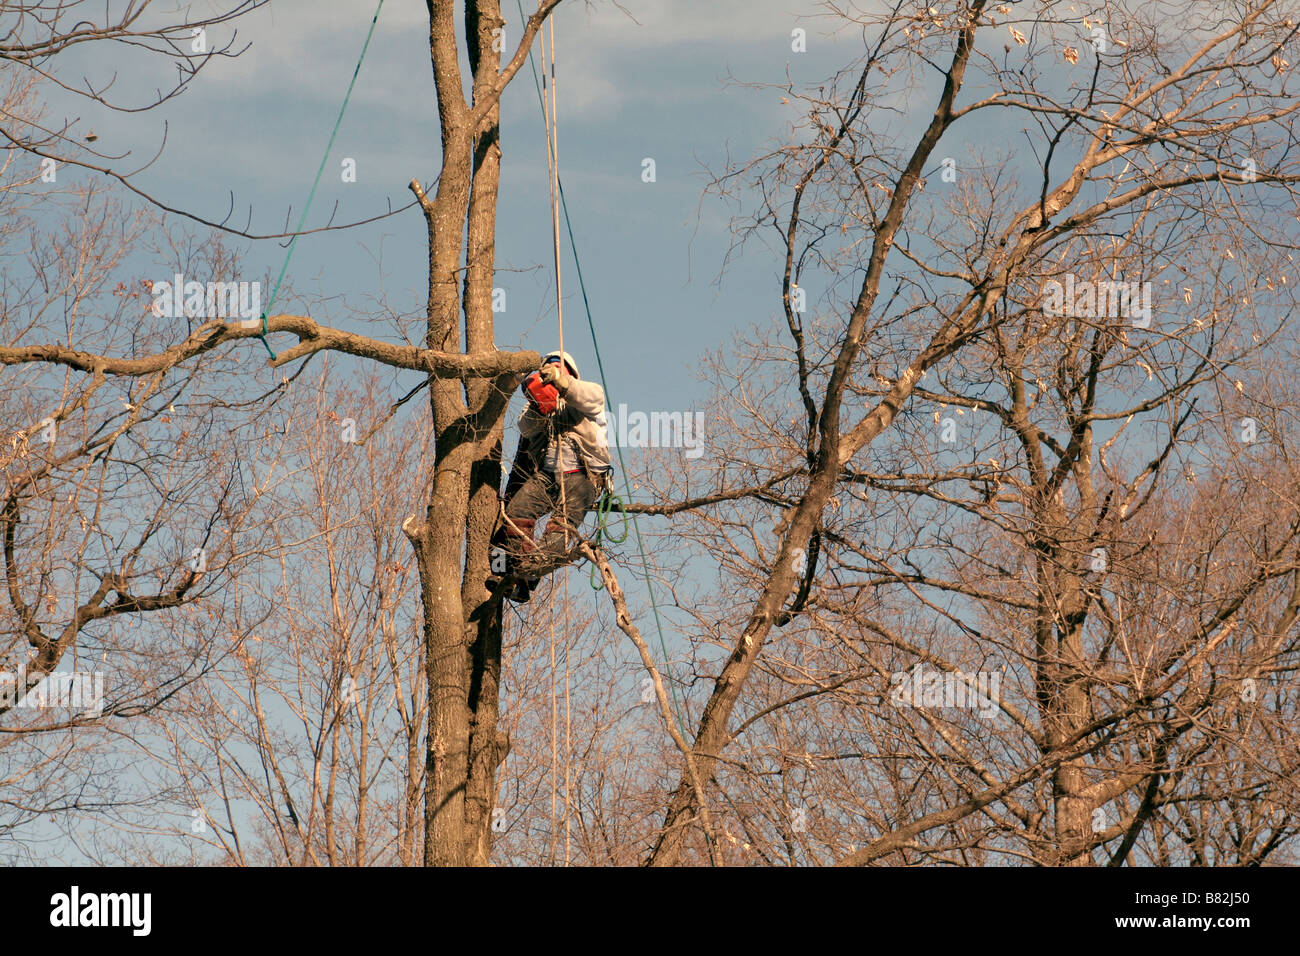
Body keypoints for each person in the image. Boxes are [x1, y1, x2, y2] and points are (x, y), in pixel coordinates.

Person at [490, 350, 611, 602]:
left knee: (560, 525)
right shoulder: (537, 408)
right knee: (515, 515)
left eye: (559, 368)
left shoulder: (585, 398)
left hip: (583, 475)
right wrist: (538, 404)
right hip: (547, 476)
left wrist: (563, 383)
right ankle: (514, 576)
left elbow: (594, 397)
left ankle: (533, 571)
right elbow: (525, 427)